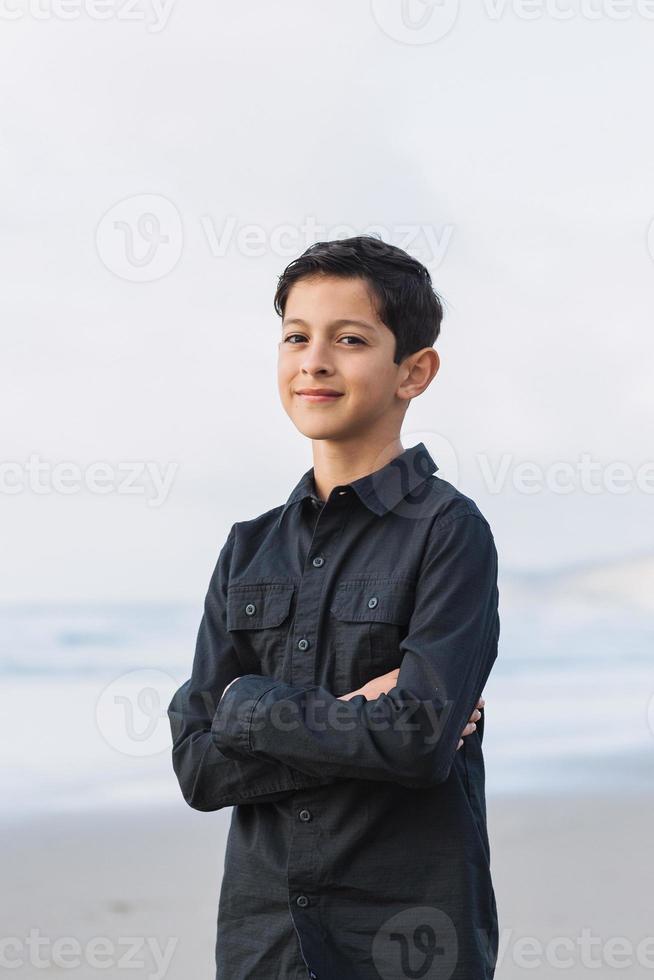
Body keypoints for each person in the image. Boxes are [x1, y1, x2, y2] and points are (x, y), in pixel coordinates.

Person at [167, 235, 500, 979]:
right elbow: (197, 769)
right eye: (296, 337)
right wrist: (354, 713)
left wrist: (250, 711)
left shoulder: (450, 533)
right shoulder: (247, 548)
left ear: (414, 370)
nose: (313, 360)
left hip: (409, 940)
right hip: (266, 942)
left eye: (349, 339)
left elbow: (417, 743)